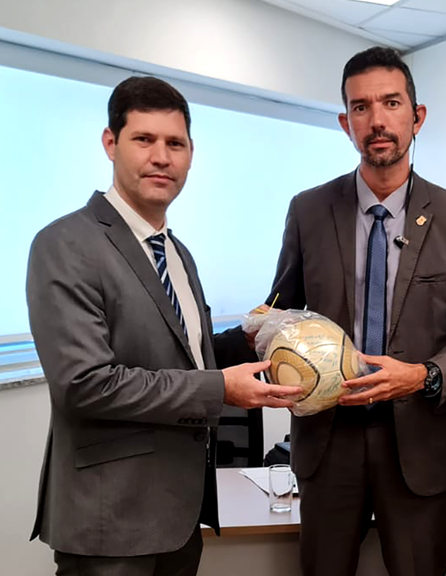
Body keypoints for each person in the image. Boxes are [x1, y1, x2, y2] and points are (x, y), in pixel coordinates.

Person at [26, 76, 300, 576]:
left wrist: (246, 341)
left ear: (191, 155)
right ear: (111, 143)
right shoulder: (65, 244)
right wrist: (220, 389)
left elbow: (180, 356)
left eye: (175, 143)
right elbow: (84, 385)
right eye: (144, 139)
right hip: (110, 521)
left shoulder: (178, 253)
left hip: (179, 515)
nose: (161, 157)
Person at [266, 47, 446, 576]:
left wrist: (422, 375)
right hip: (328, 440)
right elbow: (281, 311)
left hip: (419, 442)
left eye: (391, 103)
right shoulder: (308, 210)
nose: (377, 120)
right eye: (361, 107)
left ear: (417, 116)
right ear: (345, 123)